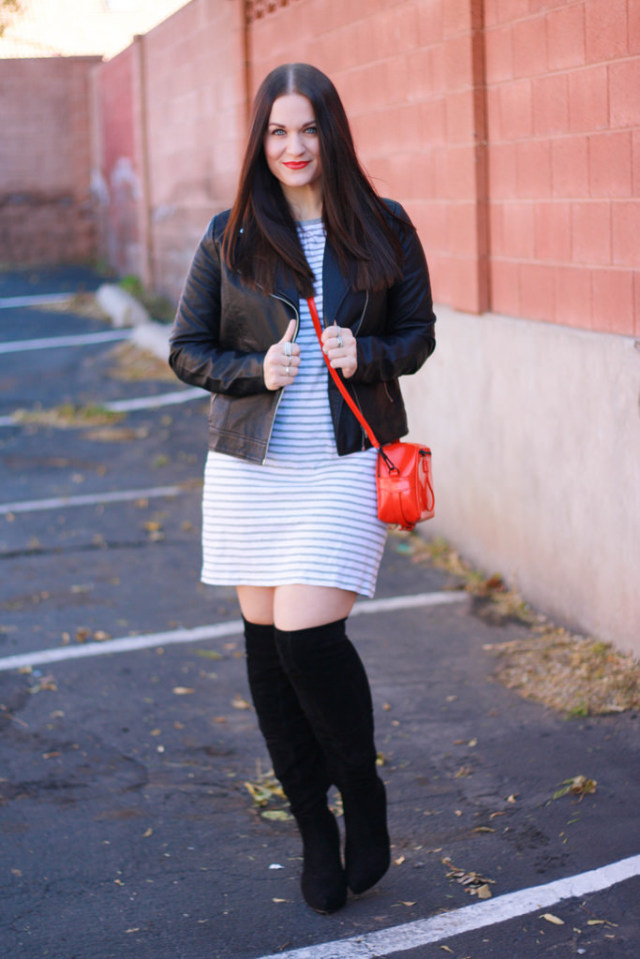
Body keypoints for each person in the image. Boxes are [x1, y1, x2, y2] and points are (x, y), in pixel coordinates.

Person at [169, 62, 436, 914]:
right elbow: (186, 349)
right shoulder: (231, 234)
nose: (293, 146)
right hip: (253, 470)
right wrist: (256, 369)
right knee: (268, 654)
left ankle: (362, 793)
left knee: (308, 641)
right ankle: (314, 831)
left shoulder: (384, 226)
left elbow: (419, 332)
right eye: (278, 131)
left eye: (308, 129)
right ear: (262, 138)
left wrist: (374, 352)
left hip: (346, 462)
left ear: (332, 133)